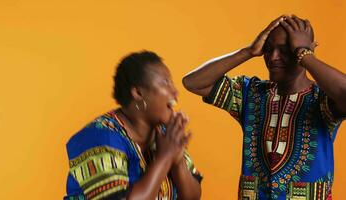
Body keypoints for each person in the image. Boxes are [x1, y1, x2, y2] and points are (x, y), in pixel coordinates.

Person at [182, 15, 345, 199]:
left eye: (285, 50)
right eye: (268, 49)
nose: (273, 57)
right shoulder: (251, 94)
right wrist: (248, 51)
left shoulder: (322, 100)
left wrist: (304, 55)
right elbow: (193, 82)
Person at [64, 50, 202, 200]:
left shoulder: (165, 134)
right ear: (138, 93)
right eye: (165, 83)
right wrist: (165, 158)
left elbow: (192, 197)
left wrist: (178, 159)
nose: (175, 91)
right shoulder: (99, 136)